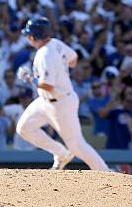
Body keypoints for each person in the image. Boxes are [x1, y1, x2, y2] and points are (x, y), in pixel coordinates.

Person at [15, 16, 109, 171]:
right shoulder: (56, 43)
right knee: (24, 128)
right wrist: (60, 68)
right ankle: (60, 153)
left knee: (77, 145)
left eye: (28, 34)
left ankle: (105, 172)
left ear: (32, 37)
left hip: (60, 103)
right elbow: (74, 59)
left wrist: (29, 79)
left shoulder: (44, 53)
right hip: (46, 101)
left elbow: (48, 85)